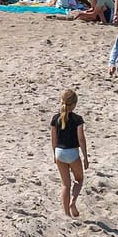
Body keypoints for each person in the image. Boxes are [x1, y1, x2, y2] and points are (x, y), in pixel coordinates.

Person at [50, 88, 88, 218]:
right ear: (74, 104)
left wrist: (54, 154)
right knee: (79, 179)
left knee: (65, 184)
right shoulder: (78, 119)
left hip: (59, 152)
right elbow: (81, 139)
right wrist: (85, 157)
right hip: (72, 153)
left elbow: (53, 139)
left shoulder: (55, 119)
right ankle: (73, 202)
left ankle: (66, 214)